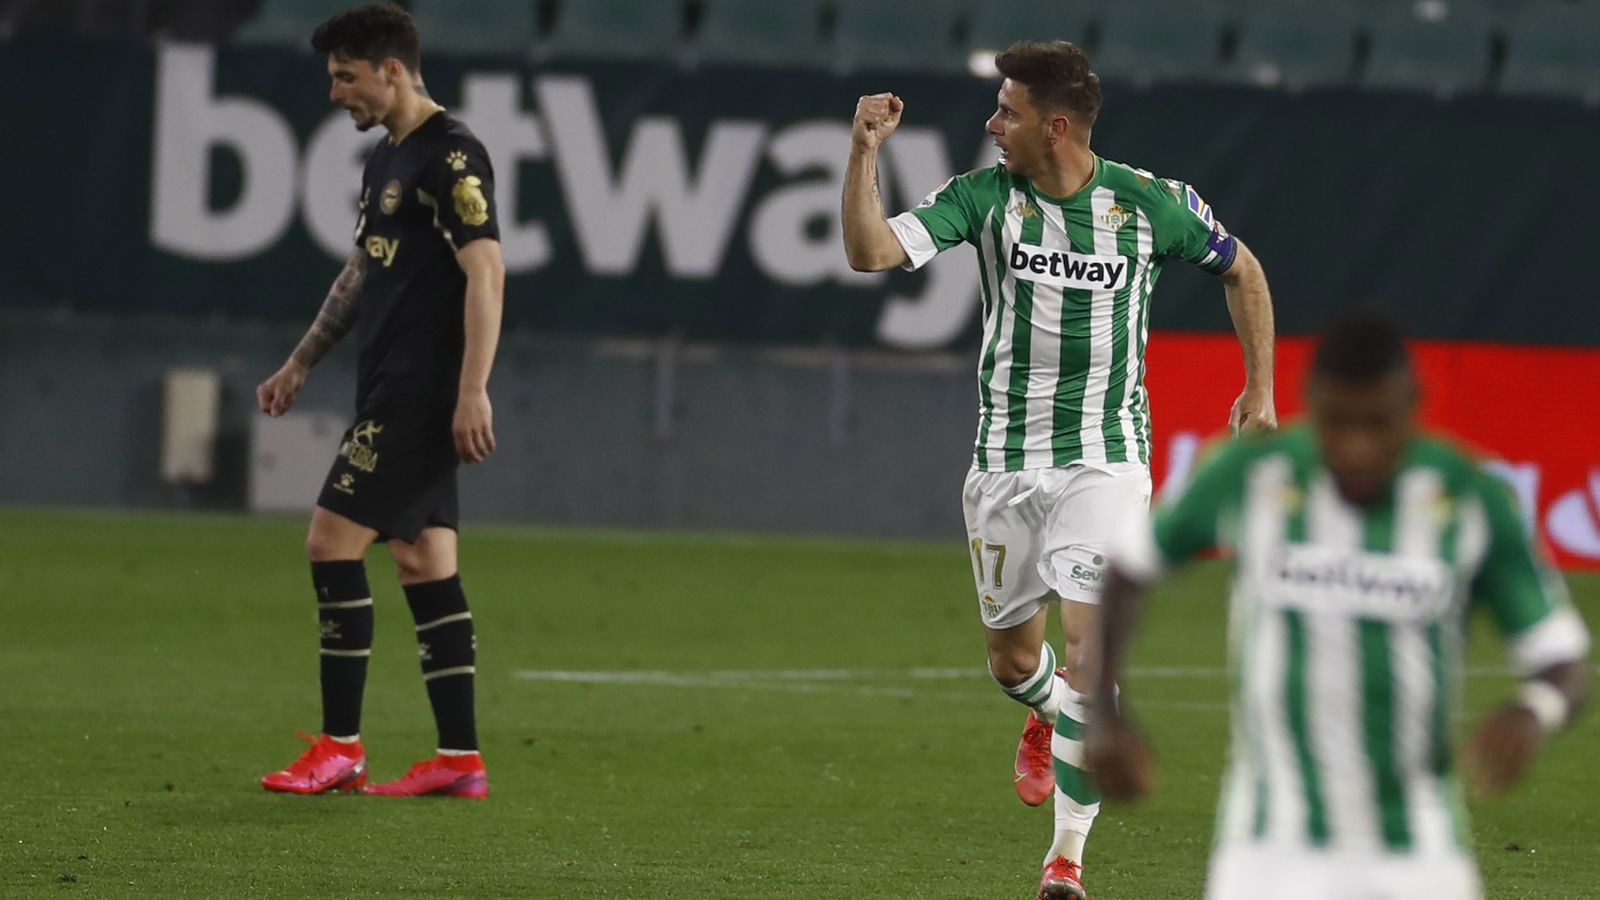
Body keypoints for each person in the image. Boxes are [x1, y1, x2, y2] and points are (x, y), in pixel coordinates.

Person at [841, 39, 1277, 898]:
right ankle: (1049, 720)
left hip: (1105, 461)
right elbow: (868, 253)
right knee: (1012, 663)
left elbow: (1244, 269)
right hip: (1004, 465)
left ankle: (1064, 864)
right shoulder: (984, 198)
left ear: (1057, 125)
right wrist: (862, 153)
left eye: (1007, 112)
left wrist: (1259, 389)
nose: (992, 124)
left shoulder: (1150, 205)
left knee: (1090, 657)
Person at [1086, 310, 1591, 900]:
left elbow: (1563, 664)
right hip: (1268, 853)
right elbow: (1128, 566)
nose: (1356, 447)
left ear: (1412, 404)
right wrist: (1104, 714)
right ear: (1309, 404)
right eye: (1337, 423)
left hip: (1419, 857)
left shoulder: (1470, 498)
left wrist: (1533, 710)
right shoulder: (1251, 473)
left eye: (1378, 424)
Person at [254, 3, 505, 799]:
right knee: (423, 560)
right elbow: (362, 274)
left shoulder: (453, 157)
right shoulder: (386, 162)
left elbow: (488, 272)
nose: (336, 93)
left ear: (392, 70)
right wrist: (299, 363)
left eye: (346, 76)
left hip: (421, 393)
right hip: (391, 382)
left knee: (330, 543)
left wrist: (471, 390)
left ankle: (340, 746)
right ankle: (459, 758)